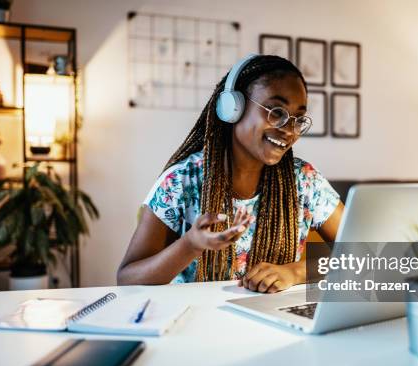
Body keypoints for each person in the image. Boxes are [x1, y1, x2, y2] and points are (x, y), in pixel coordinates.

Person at [117, 54, 344, 293]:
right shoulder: (181, 181)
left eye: (298, 118)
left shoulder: (305, 181)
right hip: (197, 323)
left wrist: (295, 272)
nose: (289, 130)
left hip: (276, 324)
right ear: (232, 108)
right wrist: (190, 245)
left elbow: (374, 257)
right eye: (276, 111)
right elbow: (127, 278)